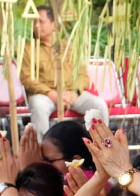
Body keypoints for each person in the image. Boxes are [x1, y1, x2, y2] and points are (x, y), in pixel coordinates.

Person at [19, 6, 109, 136]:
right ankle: (43, 152)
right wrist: (51, 93)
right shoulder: (28, 49)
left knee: (99, 106)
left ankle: (100, 149)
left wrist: (74, 93)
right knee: (38, 107)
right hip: (45, 95)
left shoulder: (68, 46)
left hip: (71, 94)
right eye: (34, 22)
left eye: (41, 21)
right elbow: (27, 78)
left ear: (53, 24)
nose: (37, 26)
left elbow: (82, 74)